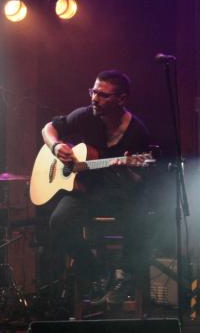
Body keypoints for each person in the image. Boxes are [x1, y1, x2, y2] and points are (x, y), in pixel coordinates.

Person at [40, 70, 151, 305]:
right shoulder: (85, 116)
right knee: (58, 222)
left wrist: (127, 170)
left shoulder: (136, 131)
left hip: (117, 194)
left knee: (140, 212)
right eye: (93, 91)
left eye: (102, 95)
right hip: (85, 191)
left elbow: (139, 180)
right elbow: (48, 128)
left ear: (121, 99)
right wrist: (56, 146)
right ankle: (95, 270)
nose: (94, 98)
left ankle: (126, 274)